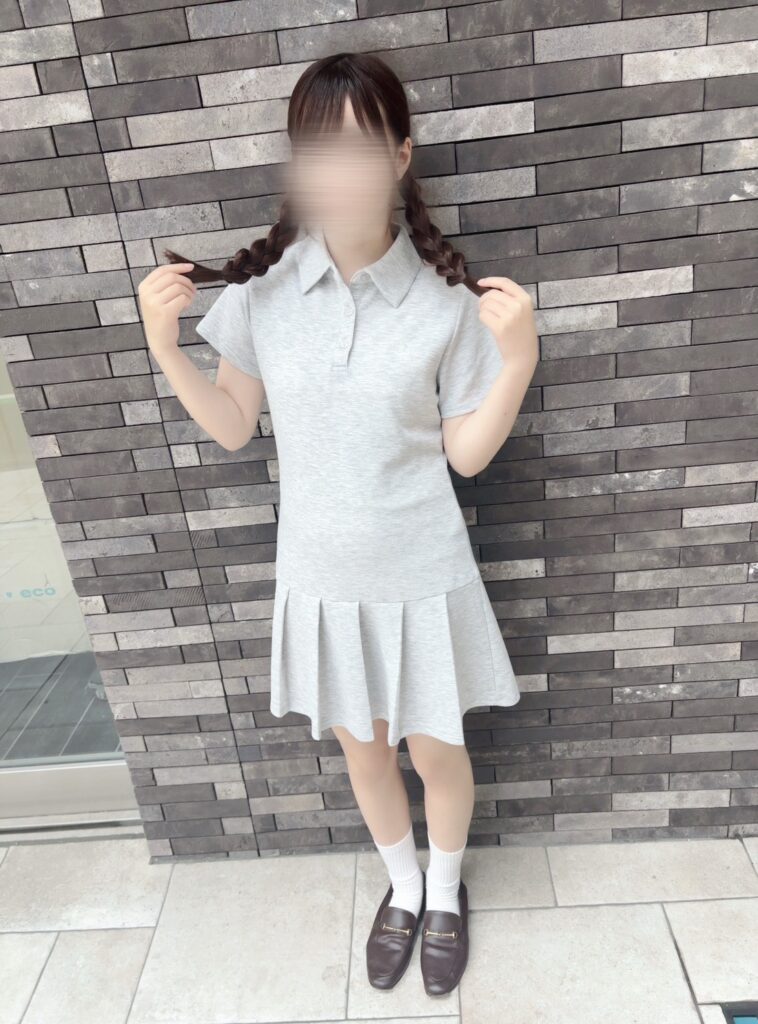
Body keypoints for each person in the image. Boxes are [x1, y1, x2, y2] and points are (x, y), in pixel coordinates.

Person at [138, 51, 539, 997]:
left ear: (400, 158)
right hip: (320, 574)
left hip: (423, 570)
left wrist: (517, 362)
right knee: (364, 749)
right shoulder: (263, 293)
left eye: (359, 150)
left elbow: (466, 455)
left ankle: (446, 892)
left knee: (436, 749)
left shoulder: (446, 302)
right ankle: (403, 888)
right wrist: (167, 350)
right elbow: (234, 425)